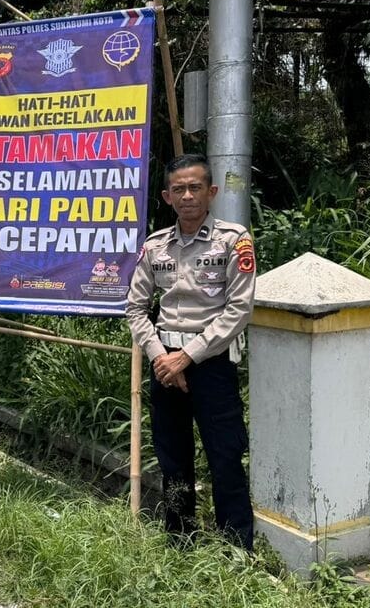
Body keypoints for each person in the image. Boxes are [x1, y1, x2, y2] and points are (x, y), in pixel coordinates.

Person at [126, 153, 256, 551]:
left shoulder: (233, 240)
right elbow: (135, 308)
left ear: (211, 192)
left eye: (195, 187)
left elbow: (239, 309)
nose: (187, 196)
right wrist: (160, 357)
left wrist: (187, 356)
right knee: (173, 457)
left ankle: (236, 549)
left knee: (225, 456)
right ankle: (179, 540)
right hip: (164, 364)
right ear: (167, 196)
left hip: (211, 363)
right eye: (178, 189)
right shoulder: (155, 246)